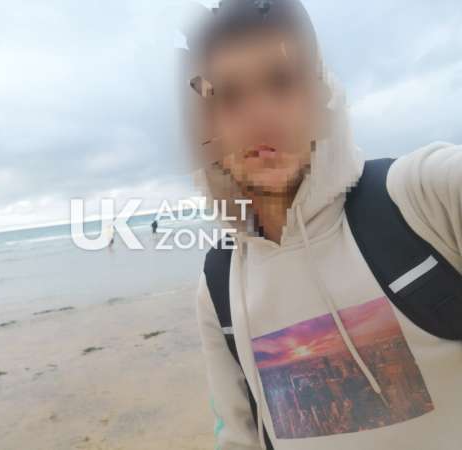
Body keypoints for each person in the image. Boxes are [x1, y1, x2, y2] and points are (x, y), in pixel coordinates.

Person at [183, 1, 462, 449]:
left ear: (321, 95)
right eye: (229, 96)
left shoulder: (421, 197)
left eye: (281, 81)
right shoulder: (218, 284)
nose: (260, 113)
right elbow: (238, 437)